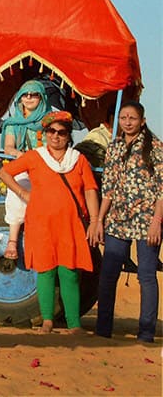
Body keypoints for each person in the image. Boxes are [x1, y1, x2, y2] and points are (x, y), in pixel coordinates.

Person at [0, 111, 100, 334]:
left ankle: (74, 324)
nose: (56, 136)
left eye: (61, 132)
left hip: (70, 225)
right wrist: (23, 193)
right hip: (41, 224)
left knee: (70, 273)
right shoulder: (35, 157)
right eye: (51, 131)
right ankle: (47, 321)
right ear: (45, 134)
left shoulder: (78, 160)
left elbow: (91, 190)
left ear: (68, 136)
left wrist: (94, 220)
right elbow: (4, 172)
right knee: (45, 272)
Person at [94, 101, 163, 343]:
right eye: (123, 117)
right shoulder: (114, 147)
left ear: (142, 121)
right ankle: (103, 329)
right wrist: (99, 220)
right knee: (109, 272)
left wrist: (157, 222)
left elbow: (161, 189)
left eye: (132, 118)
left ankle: (146, 333)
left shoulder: (155, 147)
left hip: (147, 219)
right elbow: (109, 188)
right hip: (117, 217)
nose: (127, 122)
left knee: (146, 274)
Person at [0, 80, 51, 260]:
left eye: (34, 94)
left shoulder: (50, 120)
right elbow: (8, 148)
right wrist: (26, 157)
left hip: (48, 164)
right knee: (18, 184)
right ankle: (12, 240)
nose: (29, 98)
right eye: (25, 94)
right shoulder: (14, 122)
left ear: (41, 98)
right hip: (23, 163)